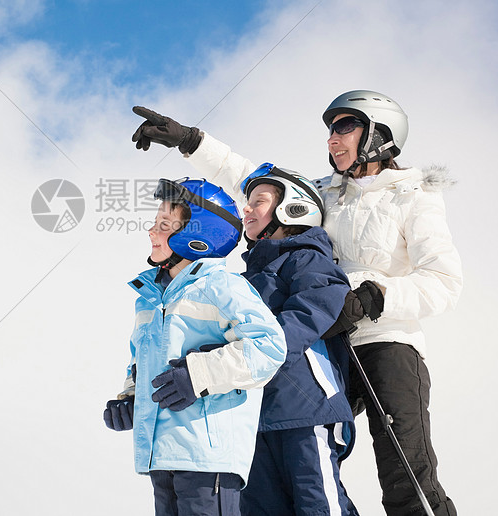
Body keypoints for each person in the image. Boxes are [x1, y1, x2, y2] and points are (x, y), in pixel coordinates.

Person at [131, 91, 462, 516]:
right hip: (321, 347)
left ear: (378, 133)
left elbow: (445, 281)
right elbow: (254, 183)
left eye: (344, 128)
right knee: (307, 449)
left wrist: (374, 296)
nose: (331, 140)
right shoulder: (323, 193)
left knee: (402, 468)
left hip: (384, 342)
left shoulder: (412, 196)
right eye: (329, 130)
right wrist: (189, 140)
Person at [103, 178, 286, 516]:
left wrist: (197, 375)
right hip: (161, 453)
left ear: (196, 237)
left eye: (163, 225)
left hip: (206, 455)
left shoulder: (222, 286)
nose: (151, 232)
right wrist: (131, 396)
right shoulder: (150, 298)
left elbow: (269, 347)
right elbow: (141, 360)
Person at [235, 163, 360, 515]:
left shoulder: (307, 260)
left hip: (305, 408)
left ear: (293, 206)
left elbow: (310, 312)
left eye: (257, 201)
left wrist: (260, 356)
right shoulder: (241, 281)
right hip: (253, 417)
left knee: (318, 505)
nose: (246, 209)